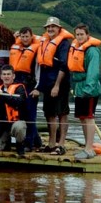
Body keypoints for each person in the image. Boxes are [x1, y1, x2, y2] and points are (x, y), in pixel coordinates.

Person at [32, 16, 73, 155]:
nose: (50, 29)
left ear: (59, 28)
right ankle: (51, 144)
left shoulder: (64, 44)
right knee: (49, 113)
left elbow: (64, 65)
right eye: (48, 27)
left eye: (53, 27)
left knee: (62, 113)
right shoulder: (45, 41)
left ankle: (61, 145)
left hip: (60, 83)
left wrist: (57, 85)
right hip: (47, 83)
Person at [68, 23, 101, 159]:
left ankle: (89, 149)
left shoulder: (92, 51)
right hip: (79, 88)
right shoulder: (77, 48)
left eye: (82, 34)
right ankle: (87, 147)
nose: (79, 37)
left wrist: (88, 89)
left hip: (90, 90)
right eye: (77, 34)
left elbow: (93, 72)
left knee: (89, 118)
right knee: (82, 118)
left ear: (87, 35)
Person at [9, 26, 41, 152]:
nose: (25, 39)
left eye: (27, 36)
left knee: (30, 115)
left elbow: (39, 71)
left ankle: (29, 144)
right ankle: (37, 141)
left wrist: (38, 88)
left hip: (31, 86)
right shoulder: (16, 47)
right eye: (22, 36)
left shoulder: (36, 50)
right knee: (21, 113)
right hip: (18, 86)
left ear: (31, 36)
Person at [0, 64, 28, 156]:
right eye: (4, 74)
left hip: (14, 123)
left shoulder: (20, 88)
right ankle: (5, 143)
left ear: (13, 76)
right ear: (1, 76)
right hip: (0, 126)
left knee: (20, 127)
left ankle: (20, 145)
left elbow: (19, 103)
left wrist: (2, 93)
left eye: (8, 74)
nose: (6, 76)